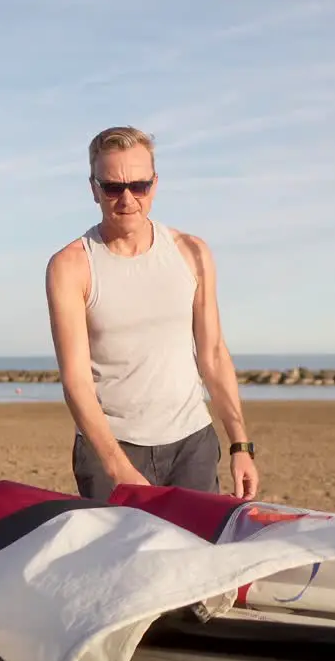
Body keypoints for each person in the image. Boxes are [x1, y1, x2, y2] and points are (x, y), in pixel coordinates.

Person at [45, 125, 259, 503]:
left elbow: (212, 355)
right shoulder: (70, 266)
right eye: (113, 187)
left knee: (194, 559)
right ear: (94, 188)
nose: (127, 198)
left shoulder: (192, 252)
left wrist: (240, 445)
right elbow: (76, 381)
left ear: (155, 185)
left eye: (139, 186)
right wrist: (119, 468)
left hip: (192, 444)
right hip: (110, 449)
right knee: (118, 563)